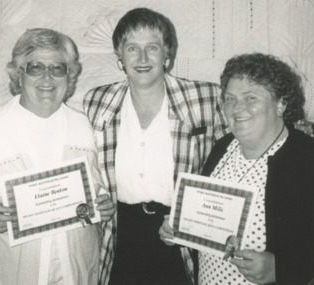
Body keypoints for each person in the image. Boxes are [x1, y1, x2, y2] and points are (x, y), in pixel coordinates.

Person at [83, 7, 230, 285]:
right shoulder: (96, 101)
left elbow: (236, 153)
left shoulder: (206, 96)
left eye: (152, 47)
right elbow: (84, 161)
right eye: (131, 48)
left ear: (167, 54)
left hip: (179, 230)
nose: (141, 58)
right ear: (119, 56)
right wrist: (94, 195)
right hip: (120, 232)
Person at [0, 28, 115, 285]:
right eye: (35, 67)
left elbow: (93, 187)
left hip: (76, 275)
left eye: (57, 68)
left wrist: (101, 204)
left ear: (70, 75)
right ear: (18, 75)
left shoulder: (83, 127)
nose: (47, 77)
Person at [160, 53, 314, 285]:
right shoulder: (222, 147)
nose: (237, 108)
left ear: (281, 103)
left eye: (251, 98)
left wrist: (282, 268)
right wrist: (180, 229)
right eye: (230, 99)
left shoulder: (307, 157)